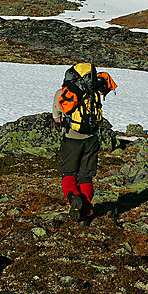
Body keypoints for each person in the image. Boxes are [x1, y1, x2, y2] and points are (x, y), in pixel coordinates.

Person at [52, 63, 116, 224]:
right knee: (86, 176)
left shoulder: (64, 93)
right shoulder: (96, 90)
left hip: (72, 138)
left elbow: (57, 117)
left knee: (68, 173)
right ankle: (85, 213)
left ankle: (74, 198)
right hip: (92, 139)